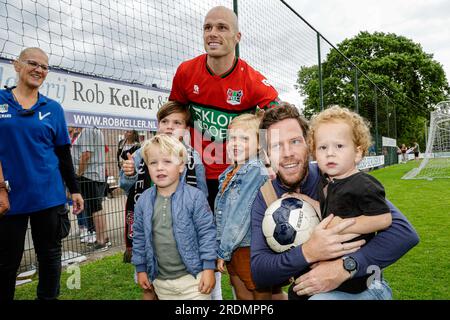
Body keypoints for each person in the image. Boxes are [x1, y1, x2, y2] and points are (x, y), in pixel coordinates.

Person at [251, 103, 420, 300]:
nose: (288, 152)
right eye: (276, 145)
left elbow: (404, 232)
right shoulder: (266, 196)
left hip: (364, 285)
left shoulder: (336, 175)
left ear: (309, 145)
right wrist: (308, 252)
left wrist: (345, 267)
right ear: (265, 154)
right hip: (311, 290)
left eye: (295, 141)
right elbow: (260, 272)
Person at [169, 5, 279, 299]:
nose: (213, 33)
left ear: (237, 36)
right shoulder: (185, 72)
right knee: (198, 250)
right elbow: (174, 117)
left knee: (239, 260)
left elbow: (278, 120)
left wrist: (269, 158)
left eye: (222, 27)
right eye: (208, 27)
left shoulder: (252, 80)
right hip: (196, 177)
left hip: (237, 181)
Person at [0, 47, 83, 300]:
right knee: (6, 262)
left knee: (49, 256)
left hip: (49, 197)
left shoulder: (53, 109)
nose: (39, 70)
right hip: (9, 198)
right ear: (17, 65)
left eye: (44, 67)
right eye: (32, 63)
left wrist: (75, 189)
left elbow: (62, 153)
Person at [287, 105, 392, 300]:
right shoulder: (328, 183)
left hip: (354, 276)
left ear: (358, 153)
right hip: (330, 259)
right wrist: (306, 200)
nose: (330, 153)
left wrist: (343, 226)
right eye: (323, 147)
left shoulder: (363, 183)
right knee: (295, 292)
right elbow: (330, 214)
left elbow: (383, 218)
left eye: (339, 146)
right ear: (314, 154)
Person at [119, 101, 207, 300]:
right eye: (165, 121)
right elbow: (126, 186)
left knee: (186, 284)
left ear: (186, 129)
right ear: (157, 124)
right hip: (150, 229)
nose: (169, 126)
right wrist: (129, 174)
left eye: (177, 123)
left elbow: (202, 195)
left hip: (182, 233)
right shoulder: (142, 152)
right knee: (149, 287)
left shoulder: (194, 157)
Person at [132, 134, 216, 300]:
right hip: (161, 283)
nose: (159, 167)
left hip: (194, 280)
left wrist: (208, 269)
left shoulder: (195, 197)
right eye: (153, 162)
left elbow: (207, 234)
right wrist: (141, 269)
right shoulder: (143, 201)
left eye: (167, 162)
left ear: (181, 166)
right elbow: (139, 237)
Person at [215, 112, 271, 300]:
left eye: (244, 139)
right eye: (232, 138)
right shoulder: (229, 172)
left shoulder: (254, 169)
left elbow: (240, 214)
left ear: (259, 144)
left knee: (259, 290)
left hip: (249, 245)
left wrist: (223, 250)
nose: (236, 143)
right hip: (233, 245)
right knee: (240, 290)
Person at [72, 126, 110, 251]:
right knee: (96, 207)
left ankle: (101, 241)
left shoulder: (88, 130)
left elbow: (86, 155)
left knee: (95, 207)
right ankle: (102, 238)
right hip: (92, 174)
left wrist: (78, 174)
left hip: (89, 175)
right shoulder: (94, 130)